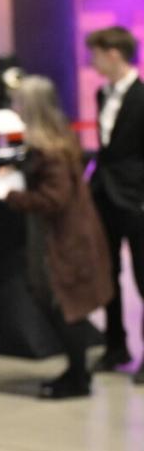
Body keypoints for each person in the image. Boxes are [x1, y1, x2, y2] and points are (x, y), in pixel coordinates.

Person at [0, 76, 112, 397]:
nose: (15, 107)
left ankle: (78, 378)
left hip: (64, 239)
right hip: (67, 234)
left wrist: (12, 196)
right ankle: (76, 372)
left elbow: (54, 199)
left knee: (65, 306)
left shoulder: (50, 149)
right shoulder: (57, 139)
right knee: (65, 305)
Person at [87, 26, 144, 382]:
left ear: (113, 54)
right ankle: (115, 346)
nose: (91, 62)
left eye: (95, 54)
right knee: (107, 274)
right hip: (105, 195)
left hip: (137, 198)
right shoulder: (102, 93)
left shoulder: (141, 96)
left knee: (143, 275)